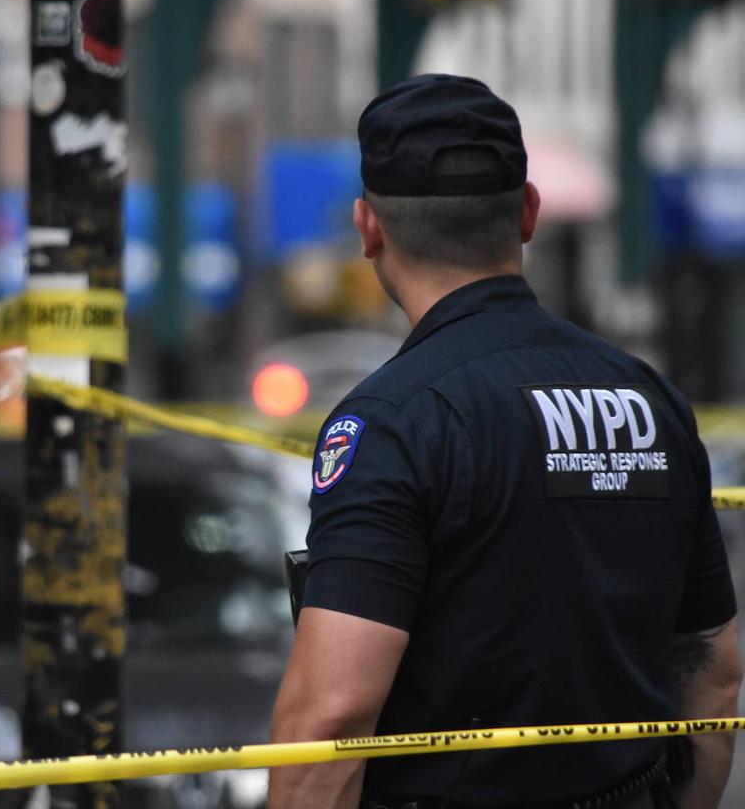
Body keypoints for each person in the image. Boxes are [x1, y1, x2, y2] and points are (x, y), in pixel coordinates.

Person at [268, 73, 743, 809]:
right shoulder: (650, 399)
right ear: (527, 212)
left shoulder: (396, 421)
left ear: (369, 228)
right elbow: (714, 677)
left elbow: (330, 718)